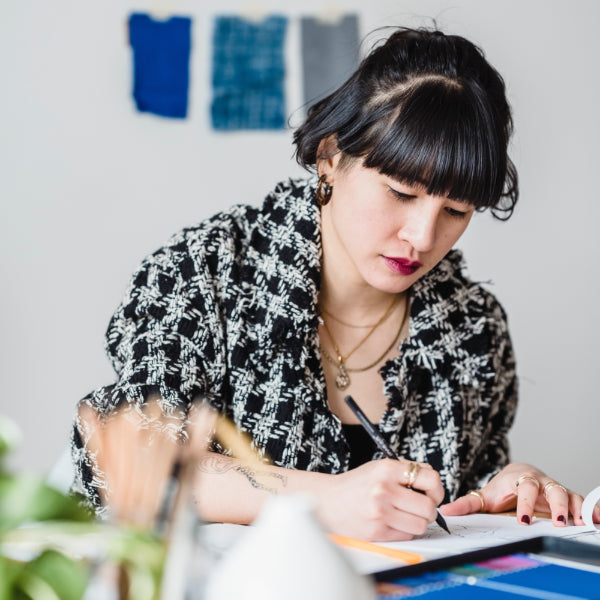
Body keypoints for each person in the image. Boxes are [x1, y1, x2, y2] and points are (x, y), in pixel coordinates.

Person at [73, 27, 595, 541]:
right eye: (401, 193)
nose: (422, 237)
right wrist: (323, 499)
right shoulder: (205, 274)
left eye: (456, 210)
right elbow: (123, 458)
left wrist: (502, 491)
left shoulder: (472, 326)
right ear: (329, 157)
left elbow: (451, 514)